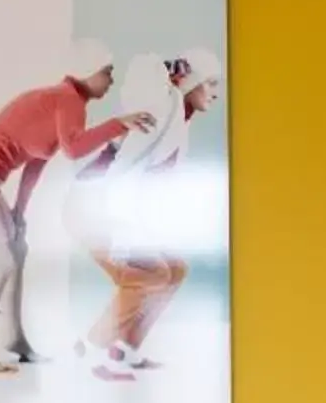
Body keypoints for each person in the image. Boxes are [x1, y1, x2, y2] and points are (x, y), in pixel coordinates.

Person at [0, 40, 151, 372]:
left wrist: (20, 212)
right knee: (2, 260)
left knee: (18, 251)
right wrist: (119, 124)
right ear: (88, 71)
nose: (111, 80)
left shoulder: (64, 101)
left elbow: (37, 162)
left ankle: (15, 340)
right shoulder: (67, 99)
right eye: (107, 72)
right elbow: (74, 149)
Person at [67, 47, 221, 378]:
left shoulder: (177, 119)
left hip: (117, 213)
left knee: (175, 270)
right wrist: (124, 234)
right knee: (146, 276)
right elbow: (123, 173)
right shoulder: (161, 113)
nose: (216, 93)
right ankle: (96, 350)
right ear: (190, 82)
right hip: (93, 209)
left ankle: (125, 349)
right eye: (210, 83)